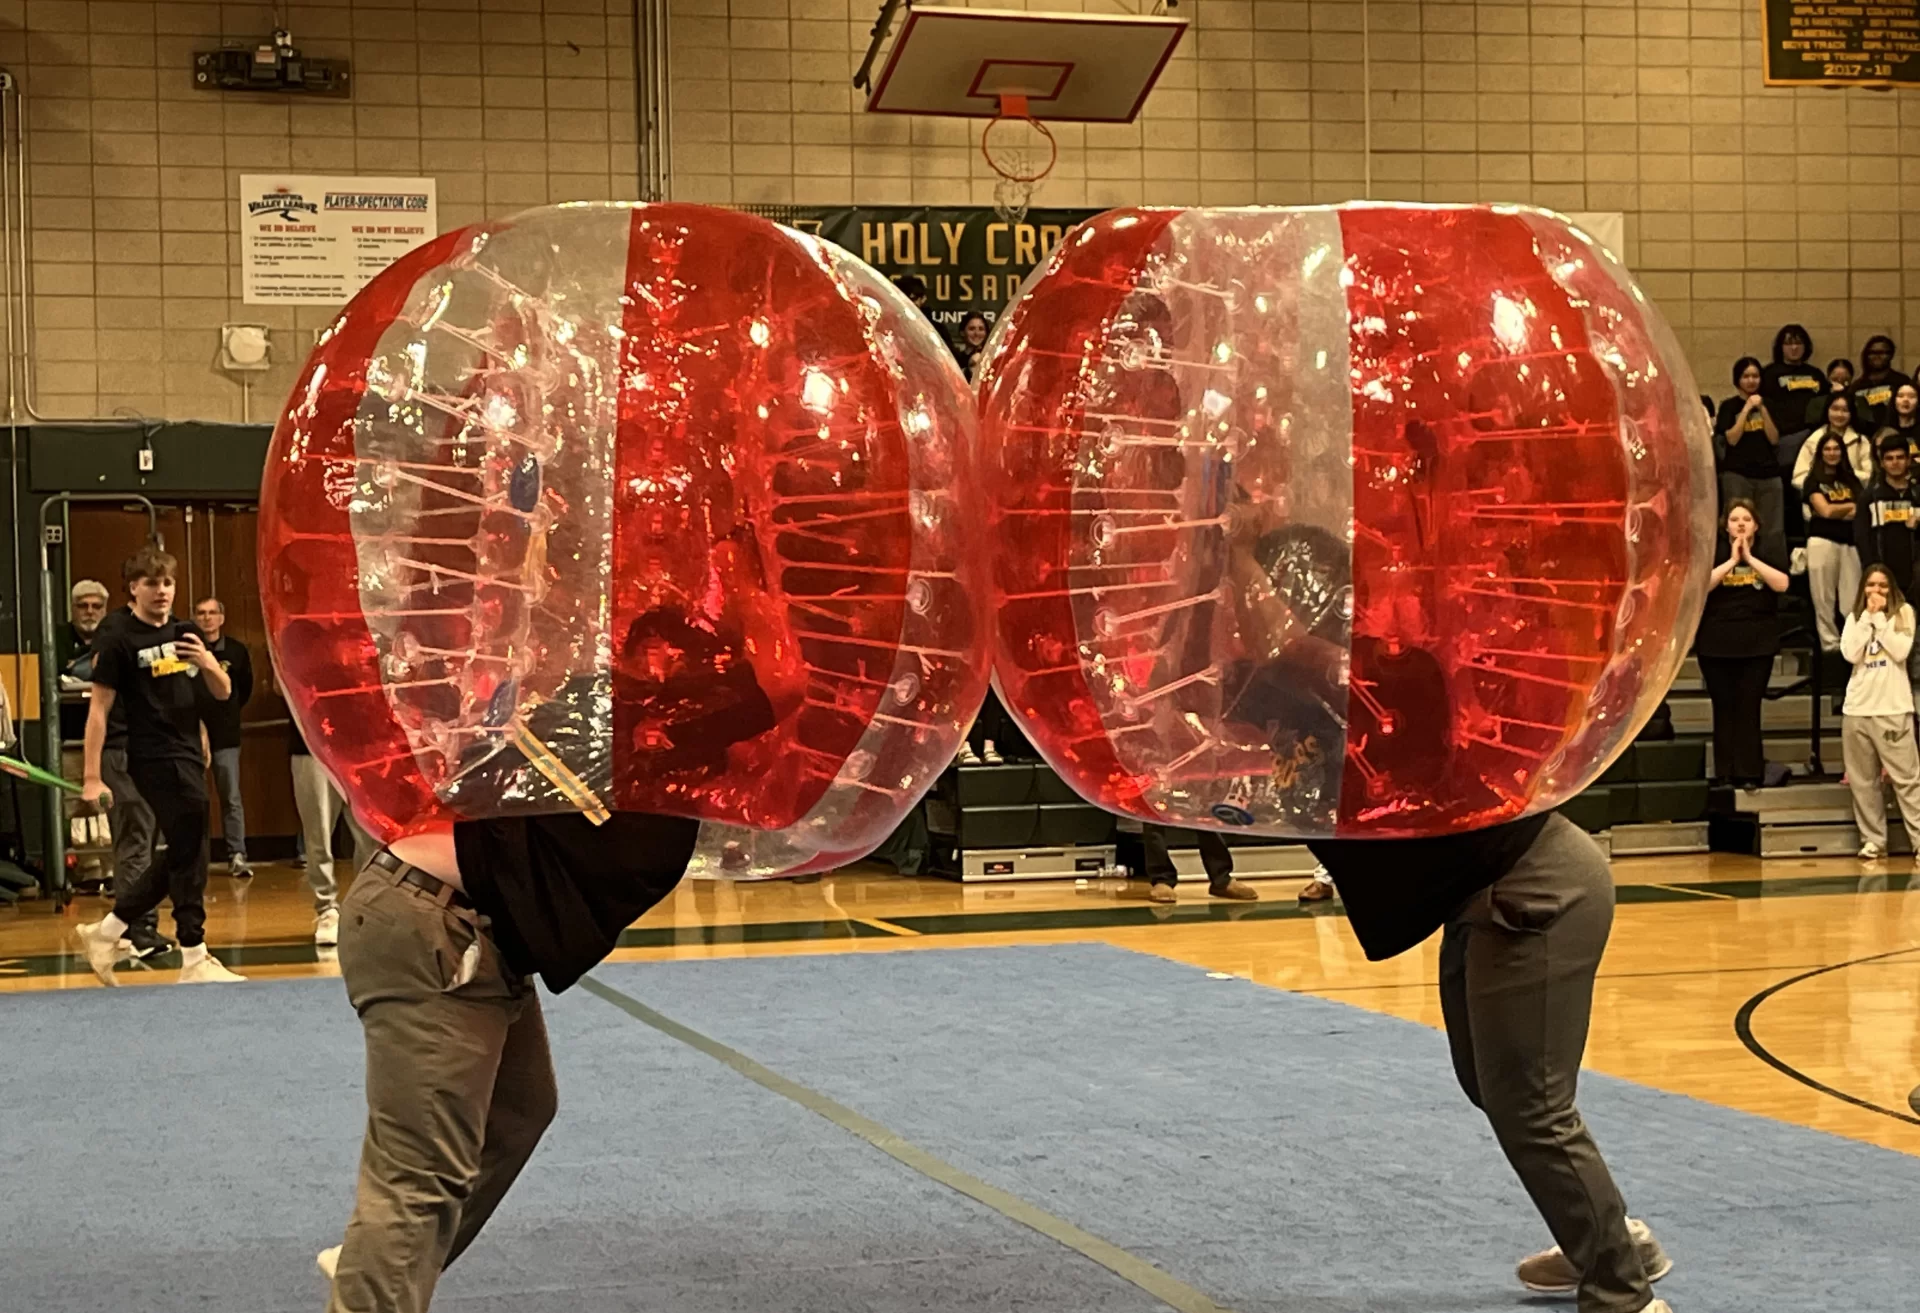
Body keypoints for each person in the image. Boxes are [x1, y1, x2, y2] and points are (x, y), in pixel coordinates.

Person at [310, 809, 704, 1309]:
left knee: (520, 1107)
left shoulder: (663, 794)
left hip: (476, 929)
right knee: (420, 1178)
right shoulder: (642, 772)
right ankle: (380, 1267)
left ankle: (377, 1259)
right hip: (432, 919)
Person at [1307, 816, 1674, 1313]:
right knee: (1485, 1083)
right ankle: (1608, 1239)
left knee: (1532, 1107)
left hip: (1535, 887)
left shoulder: (1361, 749)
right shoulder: (1306, 761)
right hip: (1481, 897)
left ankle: (1623, 1293)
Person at [70, 547, 243, 985]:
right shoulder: (119, 637)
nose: (161, 591)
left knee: (189, 849)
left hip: (187, 752)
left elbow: (223, 694)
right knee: (191, 847)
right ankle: (193, 952)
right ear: (133, 589)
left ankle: (109, 930)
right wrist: (90, 778)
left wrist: (205, 661)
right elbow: (98, 711)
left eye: (167, 583)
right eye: (151, 583)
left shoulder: (186, 632)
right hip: (150, 754)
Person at [1696, 500, 1791, 790]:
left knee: (1748, 708)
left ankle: (1749, 772)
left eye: (1746, 519)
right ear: (1725, 526)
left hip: (1756, 643)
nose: (1740, 524)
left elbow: (1782, 584)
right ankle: (1724, 771)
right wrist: (1731, 562)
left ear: (1756, 525)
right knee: (1723, 708)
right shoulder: (1712, 551)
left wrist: (1749, 559)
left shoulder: (1769, 550)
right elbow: (1701, 585)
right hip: (1716, 643)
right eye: (1735, 519)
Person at [1838, 566, 1920, 862]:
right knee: (1863, 781)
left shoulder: (1904, 613)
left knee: (1907, 780)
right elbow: (1850, 653)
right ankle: (1872, 840)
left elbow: (1900, 651)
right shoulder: (1854, 618)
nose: (1876, 592)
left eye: (1883, 586)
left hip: (1893, 709)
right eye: (1871, 586)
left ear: (1892, 589)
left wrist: (1879, 620)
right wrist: (1866, 619)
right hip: (1857, 709)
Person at [288, 713, 372, 946]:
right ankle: (326, 909)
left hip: (361, 745)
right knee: (318, 835)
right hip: (310, 743)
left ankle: (364, 909)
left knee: (370, 836)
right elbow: (279, 686)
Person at [192, 596, 254, 877]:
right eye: (201, 613)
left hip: (226, 735)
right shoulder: (188, 651)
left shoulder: (237, 651)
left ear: (221, 618)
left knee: (230, 796)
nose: (207, 618)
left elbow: (244, 689)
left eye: (212, 613)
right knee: (194, 798)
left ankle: (237, 854)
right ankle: (195, 857)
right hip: (191, 734)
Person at [1714, 357, 1784, 560]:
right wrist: (1745, 410)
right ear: (1738, 380)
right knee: (1737, 525)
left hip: (1768, 474)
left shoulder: (1769, 405)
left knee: (1772, 530)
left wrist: (1761, 409)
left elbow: (1774, 438)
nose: (1751, 381)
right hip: (1738, 473)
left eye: (1755, 376)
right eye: (1746, 376)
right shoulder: (1729, 406)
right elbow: (1732, 439)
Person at [1801, 431, 1865, 653]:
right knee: (1823, 598)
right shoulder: (1813, 481)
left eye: (1836, 449)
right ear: (1820, 453)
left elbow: (1862, 510)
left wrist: (1841, 511)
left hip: (1850, 542)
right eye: (1827, 449)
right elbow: (1825, 511)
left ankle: (1853, 645)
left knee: (1852, 600)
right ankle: (1830, 646)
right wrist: (1848, 508)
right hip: (1822, 541)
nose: (1832, 453)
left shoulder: (1851, 479)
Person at [1113, 823, 1258, 903]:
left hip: (1194, 771)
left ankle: (1221, 879)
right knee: (1153, 818)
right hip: (1156, 772)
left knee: (1205, 814)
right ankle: (1162, 879)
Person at [1856, 435, 1920, 598]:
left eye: (1900, 457)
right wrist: (1871, 570)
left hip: (1915, 574)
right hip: (1882, 574)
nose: (1895, 462)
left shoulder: (1917, 494)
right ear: (1882, 463)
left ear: (1908, 460)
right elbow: (1861, 536)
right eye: (1889, 458)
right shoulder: (1869, 496)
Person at [1791, 391, 1874, 489]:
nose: (1839, 414)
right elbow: (1798, 478)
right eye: (1835, 409)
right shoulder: (1814, 440)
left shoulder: (1860, 441)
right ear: (1827, 410)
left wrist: (1845, 475)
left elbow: (1871, 477)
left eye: (1845, 410)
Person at [1760, 322, 1825, 438]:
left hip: (1812, 434)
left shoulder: (1816, 374)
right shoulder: (1768, 373)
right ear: (1781, 347)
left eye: (1798, 343)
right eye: (1788, 344)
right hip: (1783, 436)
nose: (1794, 348)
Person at [1850, 335, 1911, 432]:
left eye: (1882, 352)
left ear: (1891, 355)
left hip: (1897, 436)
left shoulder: (1902, 382)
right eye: (1872, 353)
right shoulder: (1857, 386)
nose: (1877, 356)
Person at [1807, 357, 1855, 431]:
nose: (1839, 383)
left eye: (1845, 380)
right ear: (1828, 378)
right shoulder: (1817, 401)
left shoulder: (1857, 400)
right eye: (1835, 379)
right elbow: (1812, 424)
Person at [1875, 381, 1920, 455]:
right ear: (1894, 401)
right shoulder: (1885, 433)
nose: (1905, 400)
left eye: (1911, 396)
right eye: (1900, 396)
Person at [953, 311, 991, 381]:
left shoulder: (991, 358)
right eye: (972, 329)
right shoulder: (954, 359)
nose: (976, 333)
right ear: (962, 332)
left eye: (981, 329)